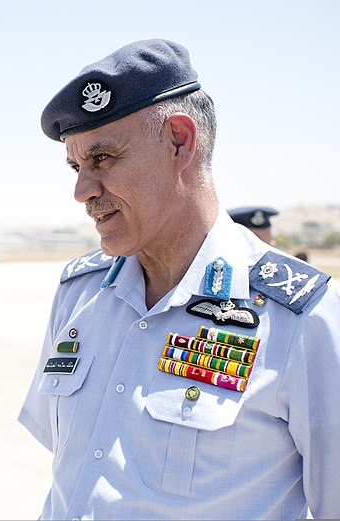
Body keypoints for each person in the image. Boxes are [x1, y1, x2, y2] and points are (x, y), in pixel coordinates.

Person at [18, 39, 340, 519]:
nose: (82, 190)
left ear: (179, 142)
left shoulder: (304, 320)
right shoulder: (79, 295)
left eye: (102, 159)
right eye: (76, 165)